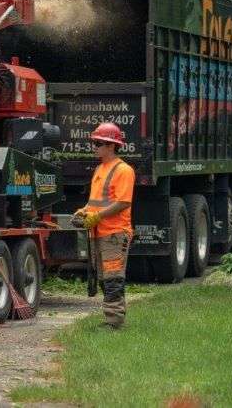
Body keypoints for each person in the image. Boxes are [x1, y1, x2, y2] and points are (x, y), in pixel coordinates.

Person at [73, 122, 135, 329]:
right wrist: (84, 211)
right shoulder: (100, 168)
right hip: (100, 232)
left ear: (111, 145)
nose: (94, 146)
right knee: (104, 278)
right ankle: (112, 318)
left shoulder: (124, 170)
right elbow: (95, 201)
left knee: (113, 278)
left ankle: (114, 321)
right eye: (94, 142)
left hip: (115, 233)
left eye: (98, 143)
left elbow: (123, 202)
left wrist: (96, 217)